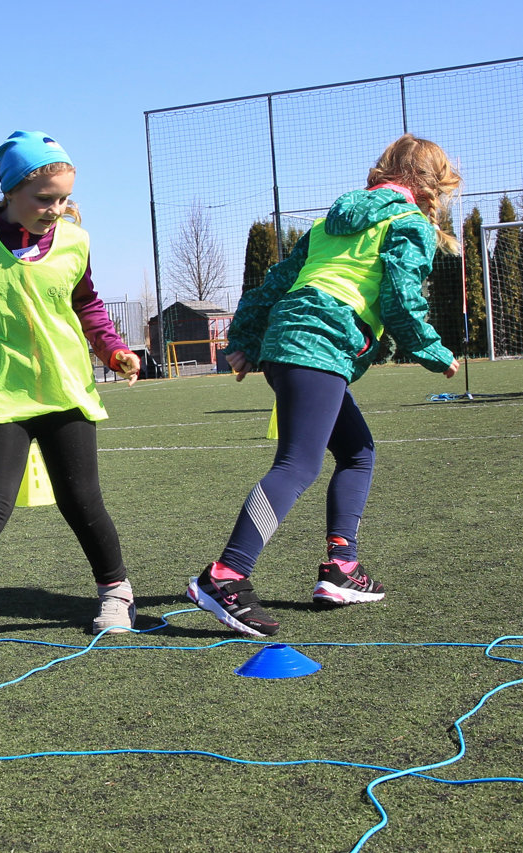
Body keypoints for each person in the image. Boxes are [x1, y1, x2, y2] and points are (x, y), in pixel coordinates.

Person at [187, 134, 460, 638]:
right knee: (297, 465)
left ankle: (342, 568)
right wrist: (434, 351)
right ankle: (225, 576)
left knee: (357, 452)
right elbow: (401, 299)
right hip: (321, 340)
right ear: (429, 184)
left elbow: (272, 285)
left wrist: (245, 339)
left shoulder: (326, 223)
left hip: (290, 338)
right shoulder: (409, 223)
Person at [0, 130, 142, 673]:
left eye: (63, 199)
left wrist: (112, 349)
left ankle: (117, 593)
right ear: (10, 190)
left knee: (81, 498)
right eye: (44, 199)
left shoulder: (75, 241)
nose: (55, 209)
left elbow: (87, 305)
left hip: (65, 386)